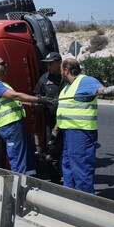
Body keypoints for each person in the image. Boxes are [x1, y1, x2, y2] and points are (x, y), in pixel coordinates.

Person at [0, 56, 50, 175]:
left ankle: (30, 181)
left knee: (27, 154)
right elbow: (15, 96)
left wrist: (31, 104)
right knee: (18, 157)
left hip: (14, 124)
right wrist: (38, 99)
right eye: (2, 64)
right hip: (9, 125)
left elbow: (12, 100)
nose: (5, 66)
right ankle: (18, 189)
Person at [55, 58, 114, 194]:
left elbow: (99, 89)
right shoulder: (67, 87)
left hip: (81, 133)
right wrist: (55, 129)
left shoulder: (85, 81)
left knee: (81, 167)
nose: (60, 73)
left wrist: (105, 90)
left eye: (61, 70)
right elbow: (64, 110)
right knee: (68, 165)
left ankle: (85, 202)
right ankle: (70, 195)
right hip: (68, 132)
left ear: (66, 70)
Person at [33, 52, 64, 182]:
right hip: (51, 123)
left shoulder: (68, 78)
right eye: (47, 64)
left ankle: (71, 181)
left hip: (70, 122)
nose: (48, 67)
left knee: (69, 152)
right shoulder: (44, 79)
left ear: (59, 63)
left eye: (51, 63)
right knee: (53, 151)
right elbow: (35, 96)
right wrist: (40, 102)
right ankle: (55, 181)